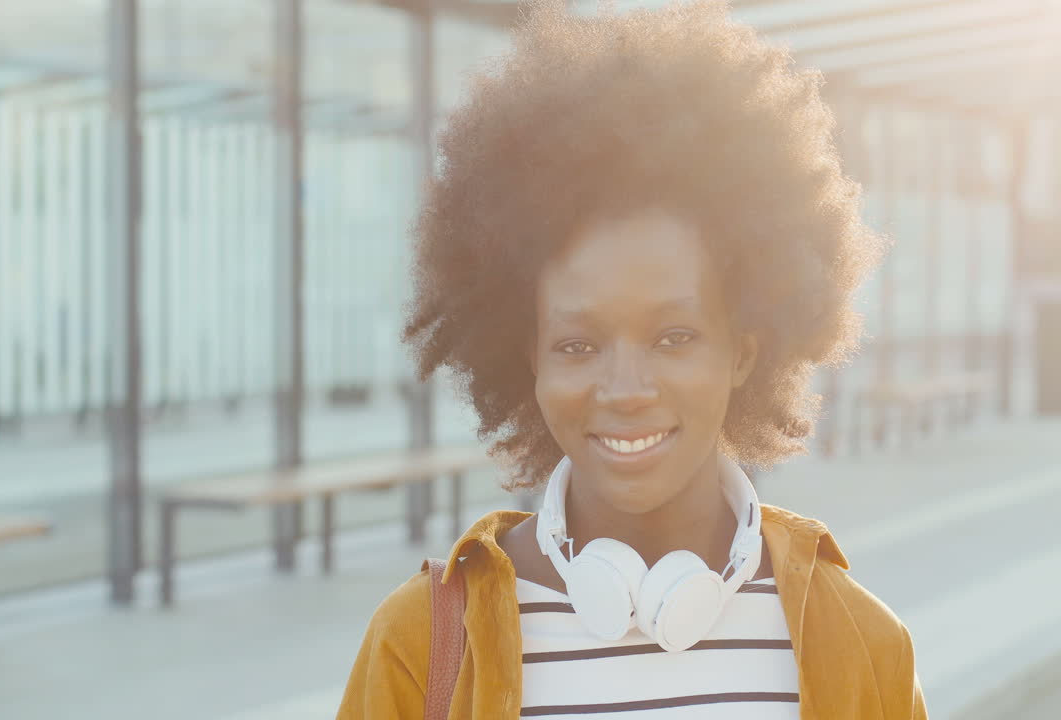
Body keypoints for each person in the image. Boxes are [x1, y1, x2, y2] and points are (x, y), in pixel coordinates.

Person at [337, 1, 926, 718]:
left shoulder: (860, 642)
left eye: (674, 337)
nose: (624, 389)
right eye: (578, 346)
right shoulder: (425, 646)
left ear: (743, 352)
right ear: (528, 361)